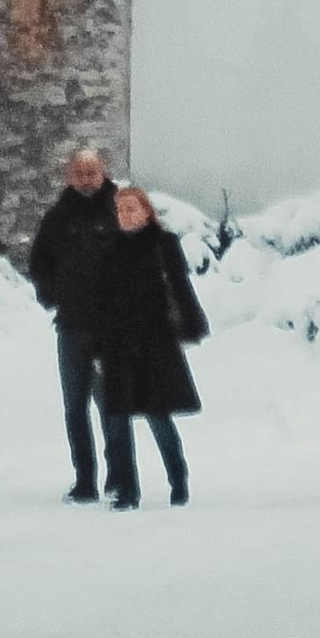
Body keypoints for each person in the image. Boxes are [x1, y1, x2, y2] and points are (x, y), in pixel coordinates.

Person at [91, 184, 207, 508]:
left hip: (154, 343)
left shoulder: (163, 244)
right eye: (121, 209)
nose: (126, 214)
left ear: (146, 211)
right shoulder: (109, 248)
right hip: (117, 343)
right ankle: (128, 492)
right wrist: (98, 348)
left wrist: (192, 323)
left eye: (132, 208)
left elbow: (180, 286)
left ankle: (178, 478)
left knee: (158, 415)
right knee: (118, 419)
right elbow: (101, 301)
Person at [28, 146, 119, 502]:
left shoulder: (118, 211)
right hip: (71, 326)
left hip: (109, 326)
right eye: (80, 173)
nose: (86, 180)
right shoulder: (58, 217)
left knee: (111, 403)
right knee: (75, 406)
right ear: (69, 176)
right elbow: (39, 263)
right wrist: (53, 295)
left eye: (92, 172)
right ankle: (85, 480)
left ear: (103, 173)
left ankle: (117, 474)